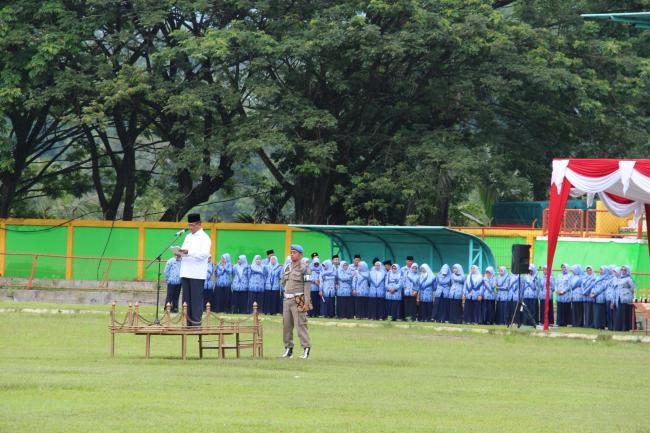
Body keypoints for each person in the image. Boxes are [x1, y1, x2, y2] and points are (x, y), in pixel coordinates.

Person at [178, 213, 212, 326]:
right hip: (185, 271)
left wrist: (189, 252)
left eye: (192, 225)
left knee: (196, 300)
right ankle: (187, 323)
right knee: (186, 300)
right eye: (189, 225)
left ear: (199, 224)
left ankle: (196, 324)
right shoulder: (188, 237)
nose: (190, 228)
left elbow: (204, 254)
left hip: (197, 273)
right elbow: (183, 250)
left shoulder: (205, 238)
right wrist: (179, 254)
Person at [281, 244, 312, 359]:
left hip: (299, 298)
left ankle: (306, 348)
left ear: (300, 254)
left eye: (294, 252)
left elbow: (307, 286)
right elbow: (283, 281)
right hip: (287, 299)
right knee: (287, 326)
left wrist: (306, 302)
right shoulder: (287, 266)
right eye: (291, 252)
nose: (292, 254)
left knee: (301, 325)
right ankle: (288, 349)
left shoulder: (305, 268)